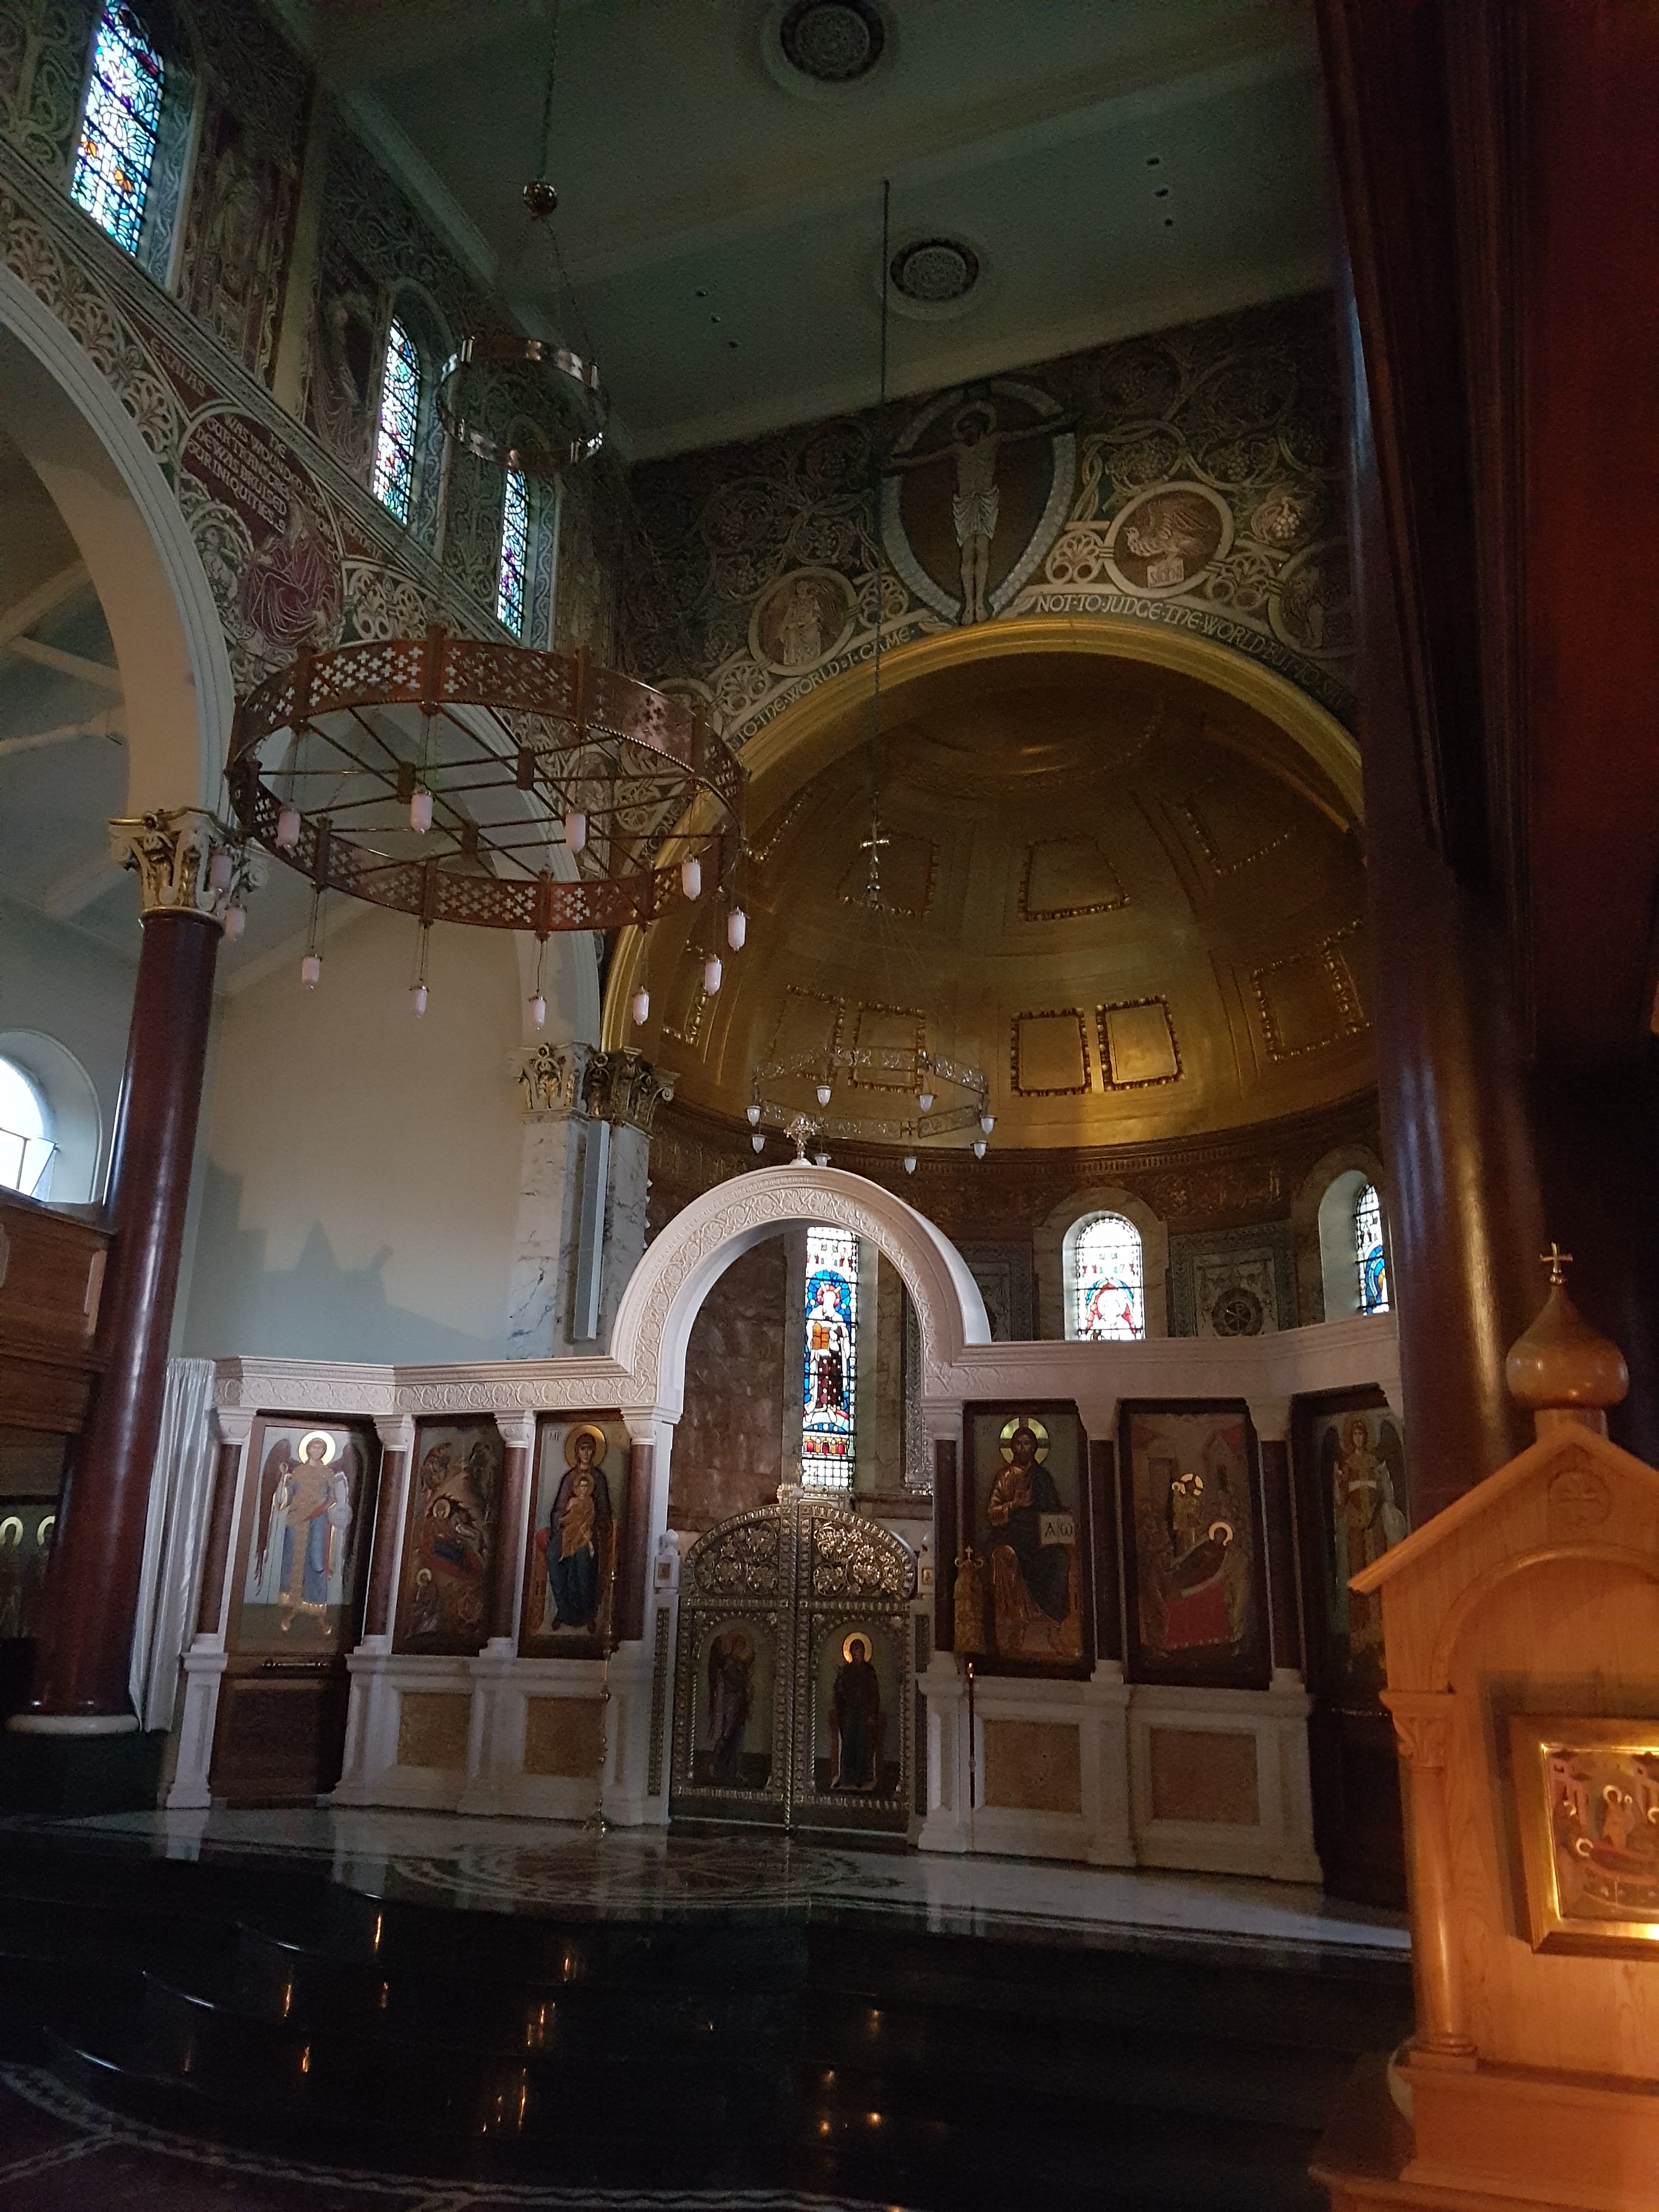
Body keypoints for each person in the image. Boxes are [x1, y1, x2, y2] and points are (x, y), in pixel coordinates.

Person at [986, 1425, 1074, 1655]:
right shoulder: (1005, 1477)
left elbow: (1053, 1509)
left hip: (1039, 1539)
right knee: (1005, 1556)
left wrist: (1063, 1516)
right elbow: (993, 1514)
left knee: (1060, 1559)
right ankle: (1019, 1623)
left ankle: (1054, 1629)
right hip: (1013, 1536)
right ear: (1012, 1447)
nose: (1023, 1448)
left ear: (1035, 1447)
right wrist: (1014, 1505)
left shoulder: (1043, 1478)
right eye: (1018, 1443)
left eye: (1027, 1443)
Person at [540, 1428, 615, 1635]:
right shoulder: (569, 1478)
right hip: (567, 1530)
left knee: (582, 1559)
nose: (587, 1453)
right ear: (576, 1451)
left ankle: (587, 1613)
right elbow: (558, 1509)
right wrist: (562, 1524)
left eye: (590, 1449)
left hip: (588, 1532)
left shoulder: (598, 1478)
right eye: (583, 1449)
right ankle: (563, 1610)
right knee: (553, 1554)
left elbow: (604, 1510)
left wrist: (595, 1528)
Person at [830, 1633, 883, 1791]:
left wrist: (871, 1714)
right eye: (854, 1650)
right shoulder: (846, 1671)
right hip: (849, 1713)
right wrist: (840, 1678)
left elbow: (874, 1694)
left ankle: (863, 1777)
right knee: (848, 1745)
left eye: (859, 1650)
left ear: (864, 1652)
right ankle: (847, 1777)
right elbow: (839, 1692)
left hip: (864, 1713)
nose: (857, 1653)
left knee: (863, 1745)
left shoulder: (869, 1671)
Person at [707, 1629, 754, 1782]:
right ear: (734, 1646)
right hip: (731, 1702)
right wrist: (745, 1680)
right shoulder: (728, 1663)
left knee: (739, 1738)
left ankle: (737, 1770)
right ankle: (713, 1764)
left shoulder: (739, 1663)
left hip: (740, 1703)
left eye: (743, 1646)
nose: (740, 1649)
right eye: (739, 1645)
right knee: (726, 1734)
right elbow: (734, 1680)